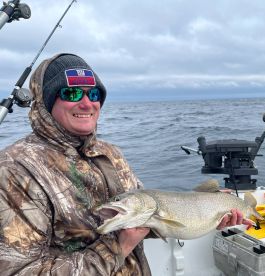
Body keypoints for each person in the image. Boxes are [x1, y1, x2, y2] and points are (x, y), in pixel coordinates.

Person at [0, 53, 249, 275]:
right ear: (46, 102)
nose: (87, 103)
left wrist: (208, 215)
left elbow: (143, 217)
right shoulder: (14, 169)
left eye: (94, 93)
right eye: (71, 93)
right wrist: (118, 246)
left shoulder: (109, 153)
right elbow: (20, 270)